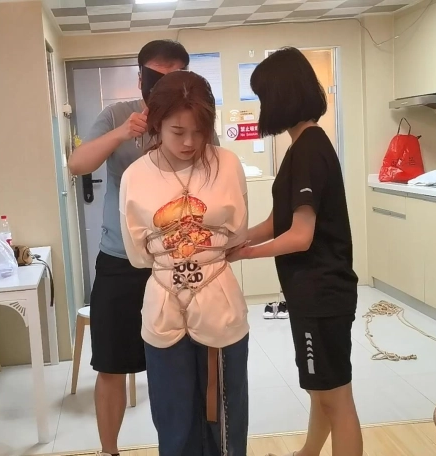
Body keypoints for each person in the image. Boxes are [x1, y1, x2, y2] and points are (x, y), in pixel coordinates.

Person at [67, 40, 218, 456]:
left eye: (175, 77)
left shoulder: (195, 121)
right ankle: (109, 450)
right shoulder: (117, 114)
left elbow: (215, 175)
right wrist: (123, 132)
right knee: (111, 365)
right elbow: (78, 164)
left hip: (179, 262)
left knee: (184, 364)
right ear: (140, 80)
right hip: (120, 259)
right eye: (155, 77)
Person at [228, 47, 363, 456]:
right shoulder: (302, 146)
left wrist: (245, 255)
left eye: (263, 97)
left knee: (336, 398)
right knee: (321, 389)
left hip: (322, 294)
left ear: (281, 97)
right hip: (315, 293)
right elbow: (280, 221)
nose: (262, 108)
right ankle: (307, 452)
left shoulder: (308, 150)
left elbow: (300, 236)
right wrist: (238, 239)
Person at [119, 70, 249, 456]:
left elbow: (238, 234)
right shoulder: (135, 175)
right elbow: (137, 254)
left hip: (219, 302)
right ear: (157, 123)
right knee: (174, 421)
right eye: (178, 132)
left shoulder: (228, 164)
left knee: (225, 422)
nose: (189, 142)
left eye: (199, 131)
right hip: (163, 307)